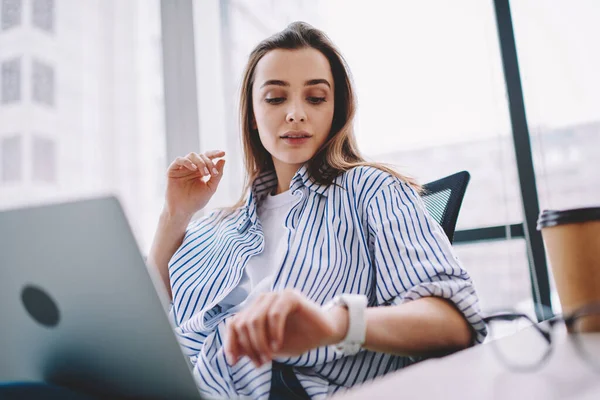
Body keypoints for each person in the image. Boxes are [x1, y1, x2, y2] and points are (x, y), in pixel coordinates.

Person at [147, 21, 487, 400]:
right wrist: (174, 216)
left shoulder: (371, 190)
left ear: (336, 110)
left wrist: (334, 323)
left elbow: (456, 323)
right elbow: (146, 325)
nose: (295, 113)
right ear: (252, 115)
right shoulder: (221, 225)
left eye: (316, 97)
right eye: (275, 98)